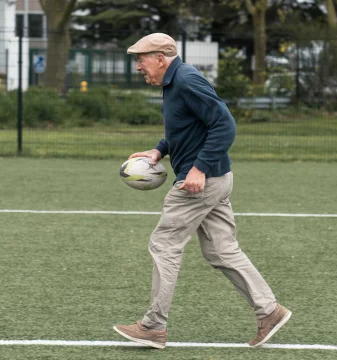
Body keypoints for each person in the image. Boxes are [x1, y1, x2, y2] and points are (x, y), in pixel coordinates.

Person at [112, 33, 291, 349]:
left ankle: (153, 327)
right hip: (215, 178)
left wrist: (199, 168)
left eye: (141, 59)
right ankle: (269, 311)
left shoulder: (186, 81)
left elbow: (224, 124)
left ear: (160, 58)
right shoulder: (174, 83)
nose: (138, 66)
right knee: (221, 249)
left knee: (164, 244)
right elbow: (186, 129)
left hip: (200, 181)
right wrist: (157, 151)